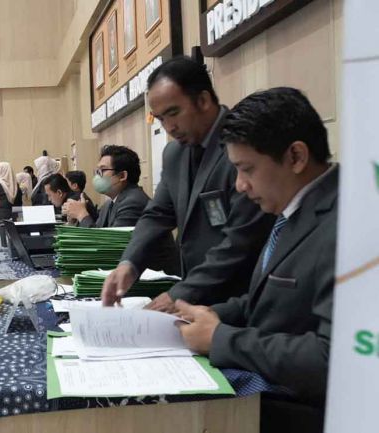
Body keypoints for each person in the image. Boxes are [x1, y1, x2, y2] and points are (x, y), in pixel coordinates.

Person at [176, 87, 337, 407]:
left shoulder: (347, 223)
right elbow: (273, 302)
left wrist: (221, 339)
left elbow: (332, 359)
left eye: (247, 169)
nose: (239, 185)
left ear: (296, 156)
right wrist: (211, 316)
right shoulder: (292, 209)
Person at [101, 56, 275, 311]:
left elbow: (241, 240)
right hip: (192, 298)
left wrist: (178, 295)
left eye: (173, 113)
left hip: (240, 300)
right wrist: (129, 263)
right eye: (160, 118)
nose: (169, 127)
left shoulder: (244, 144)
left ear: (203, 100)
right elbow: (157, 215)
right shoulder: (174, 154)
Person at [64, 145, 166, 227]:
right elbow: (97, 231)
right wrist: (76, 216)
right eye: (97, 171)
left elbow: (106, 246)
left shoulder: (133, 203)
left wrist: (82, 214)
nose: (97, 176)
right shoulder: (109, 204)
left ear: (122, 175)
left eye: (102, 170)